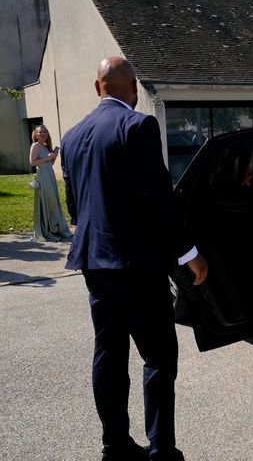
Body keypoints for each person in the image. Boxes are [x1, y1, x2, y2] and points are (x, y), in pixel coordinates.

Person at [60, 57, 208, 461]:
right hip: (137, 266)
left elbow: (75, 207)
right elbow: (158, 199)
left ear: (97, 88)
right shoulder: (138, 125)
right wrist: (189, 253)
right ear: (134, 87)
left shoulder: (71, 136)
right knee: (159, 357)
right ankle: (162, 450)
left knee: (108, 354)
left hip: (94, 262)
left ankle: (115, 445)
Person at [28, 125, 73, 241]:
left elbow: (49, 164)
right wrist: (48, 157)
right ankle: (49, 229)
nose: (43, 134)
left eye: (45, 132)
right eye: (40, 132)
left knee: (53, 200)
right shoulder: (35, 146)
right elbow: (33, 162)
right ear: (36, 135)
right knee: (48, 200)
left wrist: (54, 156)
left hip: (50, 174)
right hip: (43, 176)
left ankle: (56, 227)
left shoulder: (46, 146)